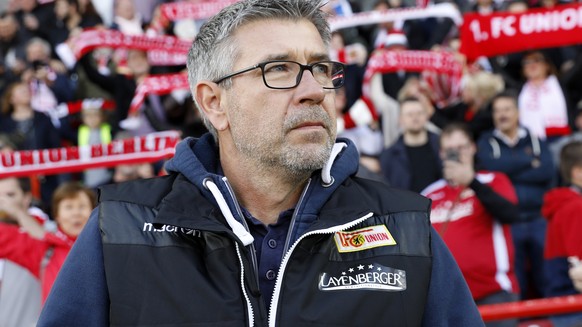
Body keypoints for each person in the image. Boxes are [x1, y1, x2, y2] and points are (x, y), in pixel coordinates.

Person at [39, 1, 483, 326]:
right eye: (280, 69)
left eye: (321, 69)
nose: (313, 90)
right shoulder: (118, 230)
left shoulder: (407, 232)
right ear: (214, 103)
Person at [422, 123, 520, 327]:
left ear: (473, 147)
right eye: (450, 150)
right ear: (441, 153)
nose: (456, 154)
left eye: (462, 148)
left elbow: (510, 214)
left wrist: (471, 181)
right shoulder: (429, 194)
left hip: (492, 292)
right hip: (448, 299)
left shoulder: (492, 180)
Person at [477, 90, 555, 300]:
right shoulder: (486, 142)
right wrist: (529, 161)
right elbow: (491, 168)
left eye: (507, 109)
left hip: (539, 217)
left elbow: (547, 170)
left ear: (517, 112)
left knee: (547, 274)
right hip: (507, 222)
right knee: (515, 278)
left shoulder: (535, 139)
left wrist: (507, 170)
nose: (502, 115)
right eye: (497, 111)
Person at [0, 181, 96, 302]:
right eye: (69, 207)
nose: (76, 213)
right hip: (58, 320)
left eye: (82, 206)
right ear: (57, 215)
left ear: (94, 212)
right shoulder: (44, 248)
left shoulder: (107, 245)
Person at [542, 140, 582, 327]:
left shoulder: (567, 204)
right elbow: (578, 261)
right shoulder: (576, 207)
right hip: (573, 305)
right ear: (578, 172)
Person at [0, 177, 47, 327]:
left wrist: (18, 213)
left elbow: (45, 244)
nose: (2, 202)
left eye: (10, 195)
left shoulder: (47, 229)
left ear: (27, 198)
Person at [380, 96, 442, 192]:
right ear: (400, 119)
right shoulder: (390, 155)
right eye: (409, 114)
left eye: (419, 113)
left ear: (427, 115)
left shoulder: (442, 146)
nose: (415, 117)